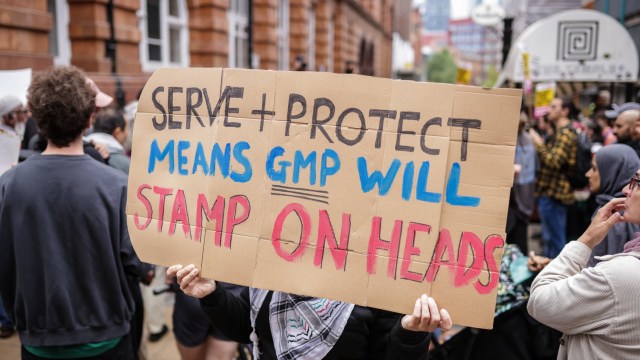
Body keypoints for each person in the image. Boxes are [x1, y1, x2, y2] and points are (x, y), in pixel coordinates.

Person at [0, 66, 146, 359]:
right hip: (107, 338)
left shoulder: (9, 184)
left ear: (35, 116)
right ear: (90, 118)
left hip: (37, 339)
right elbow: (137, 263)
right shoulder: (116, 185)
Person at [168, 264, 452, 360]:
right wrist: (214, 295)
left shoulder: (379, 283)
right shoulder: (277, 261)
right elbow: (246, 325)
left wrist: (412, 335)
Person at [527, 178, 640, 358]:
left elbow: (539, 301)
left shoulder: (619, 275)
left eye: (637, 183)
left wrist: (586, 239)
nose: (626, 189)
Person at [529, 97, 578, 258]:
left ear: (565, 111)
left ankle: (556, 279)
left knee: (555, 242)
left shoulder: (565, 134)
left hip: (555, 195)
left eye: (554, 106)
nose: (548, 110)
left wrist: (538, 143)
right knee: (550, 240)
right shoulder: (560, 133)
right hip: (550, 193)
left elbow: (554, 161)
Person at [585, 144, 640, 266]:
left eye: (594, 169)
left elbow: (597, 276)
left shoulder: (611, 214)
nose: (588, 174)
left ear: (611, 172)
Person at [506, 110, 537, 253]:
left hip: (519, 197)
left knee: (517, 243)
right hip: (515, 198)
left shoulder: (526, 140)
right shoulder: (526, 139)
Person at [86, 108, 131, 174]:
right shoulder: (126, 165)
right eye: (127, 129)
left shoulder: (81, 151)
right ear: (117, 132)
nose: (127, 134)